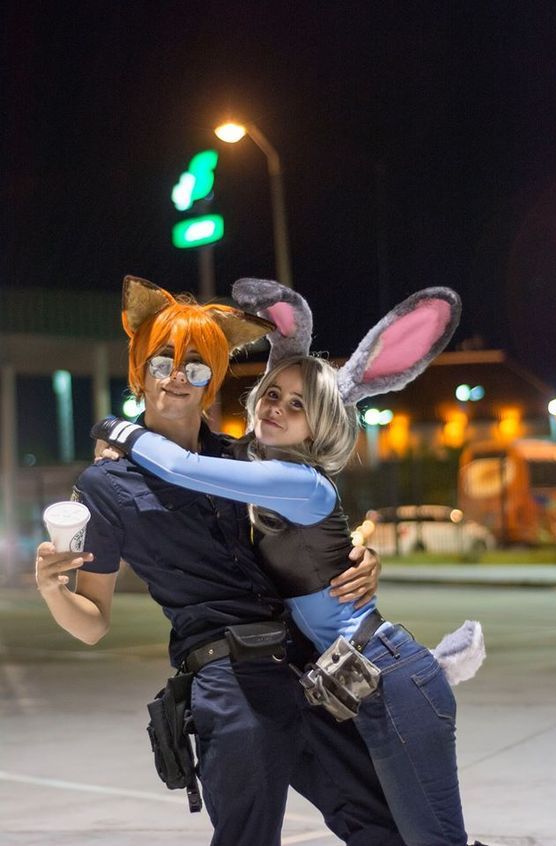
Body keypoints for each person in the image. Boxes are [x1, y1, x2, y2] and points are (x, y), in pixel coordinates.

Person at [93, 279, 488, 846]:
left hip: (388, 676)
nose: (277, 407)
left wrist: (116, 430)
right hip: (348, 682)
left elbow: (180, 467)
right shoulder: (255, 472)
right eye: (273, 394)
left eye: (299, 404)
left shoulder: (295, 482)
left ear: (322, 422)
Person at [35, 275, 409, 846]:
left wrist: (364, 556)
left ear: (214, 381)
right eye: (162, 362)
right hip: (228, 680)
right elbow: (93, 623)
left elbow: (313, 525)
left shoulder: (244, 458)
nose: (178, 376)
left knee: (386, 825)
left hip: (309, 671)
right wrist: (54, 590)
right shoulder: (105, 484)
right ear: (139, 372)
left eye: (197, 365)